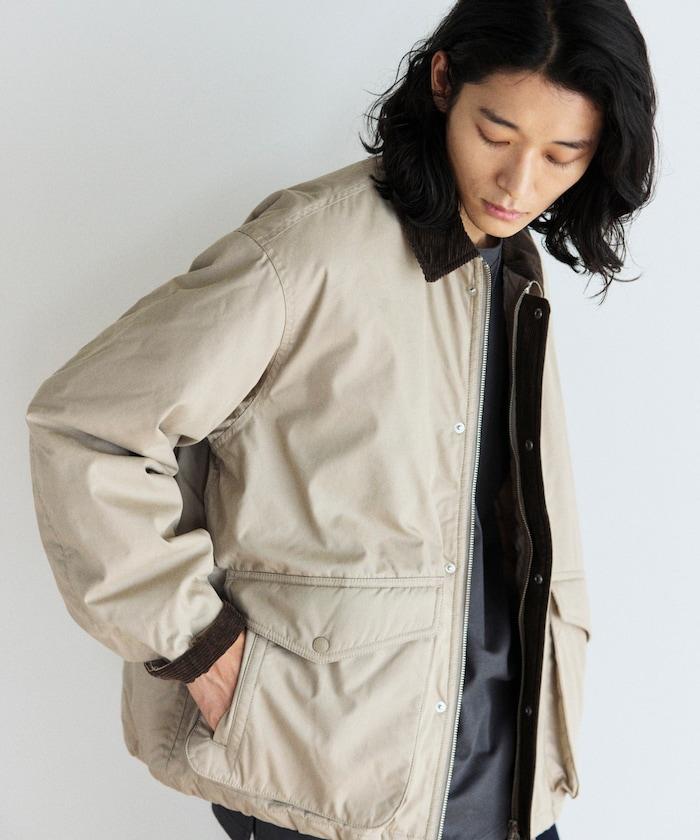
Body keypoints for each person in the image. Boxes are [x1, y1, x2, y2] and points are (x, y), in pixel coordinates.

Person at [24, 1, 657, 839]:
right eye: (496, 134)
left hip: (504, 781)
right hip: (329, 781)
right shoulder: (308, 253)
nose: (519, 183)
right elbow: (87, 430)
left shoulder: (509, 266)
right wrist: (202, 650)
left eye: (560, 154)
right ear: (443, 81)